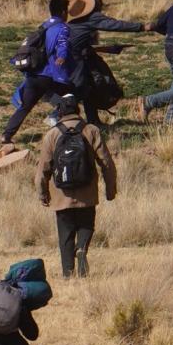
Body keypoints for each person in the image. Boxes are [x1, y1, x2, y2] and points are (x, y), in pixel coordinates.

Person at [36, 94, 117, 278]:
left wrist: (42, 193)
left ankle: (67, 273)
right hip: (87, 191)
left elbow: (43, 168)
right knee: (86, 225)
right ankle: (81, 249)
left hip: (61, 194)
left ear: (60, 111)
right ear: (77, 110)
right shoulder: (91, 130)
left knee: (65, 234)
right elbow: (106, 162)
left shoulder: (52, 134)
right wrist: (110, 189)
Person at [65, 0, 145, 124]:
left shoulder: (71, 18)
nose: (102, 3)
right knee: (83, 88)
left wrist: (108, 49)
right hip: (75, 61)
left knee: (87, 87)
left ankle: (93, 121)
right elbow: (115, 24)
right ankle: (58, 117)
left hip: (70, 58)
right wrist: (143, 26)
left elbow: (81, 46)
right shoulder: (92, 17)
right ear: (94, 1)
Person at [1, 0, 72, 147]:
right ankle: (66, 132)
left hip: (33, 75)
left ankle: (7, 135)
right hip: (47, 75)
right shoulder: (63, 27)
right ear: (64, 11)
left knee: (25, 107)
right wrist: (62, 56)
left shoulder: (44, 26)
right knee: (70, 99)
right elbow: (62, 44)